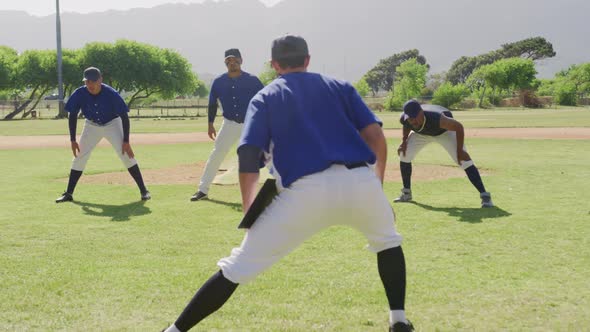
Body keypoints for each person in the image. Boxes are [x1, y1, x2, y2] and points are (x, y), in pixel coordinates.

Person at [163, 35, 413, 332]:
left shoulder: (266, 96)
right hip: (360, 182)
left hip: (305, 193)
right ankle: (399, 320)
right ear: (308, 60)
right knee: (387, 241)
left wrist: (249, 211)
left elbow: (248, 155)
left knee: (237, 267)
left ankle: (174, 331)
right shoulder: (341, 87)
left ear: (274, 65)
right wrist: (377, 190)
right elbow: (375, 138)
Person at [55, 67, 150, 203]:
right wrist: (72, 139)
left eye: (93, 81)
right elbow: (72, 115)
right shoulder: (80, 93)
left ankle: (144, 191)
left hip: (113, 123)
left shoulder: (111, 93)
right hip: (91, 125)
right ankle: (68, 194)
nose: (90, 85)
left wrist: (126, 140)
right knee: (79, 156)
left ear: (100, 80)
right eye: (87, 81)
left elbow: (124, 116)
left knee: (126, 155)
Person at [190, 48, 264, 201]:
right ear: (225, 63)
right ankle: (203, 190)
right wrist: (210, 124)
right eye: (228, 60)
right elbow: (212, 104)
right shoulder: (218, 81)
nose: (232, 63)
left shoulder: (253, 80)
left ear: (241, 61)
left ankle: (283, 187)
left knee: (267, 154)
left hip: (251, 124)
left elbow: (265, 101)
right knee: (216, 155)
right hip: (229, 124)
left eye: (235, 60)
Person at [394, 99, 493, 208]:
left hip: (444, 132)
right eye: (410, 118)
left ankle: (485, 196)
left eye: (414, 117)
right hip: (421, 134)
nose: (412, 121)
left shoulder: (437, 118)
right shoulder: (406, 119)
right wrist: (404, 142)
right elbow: (406, 125)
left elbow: (458, 127)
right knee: (404, 154)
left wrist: (460, 150)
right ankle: (406, 193)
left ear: (421, 112)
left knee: (463, 160)